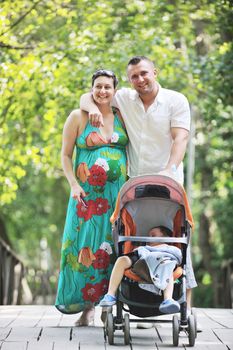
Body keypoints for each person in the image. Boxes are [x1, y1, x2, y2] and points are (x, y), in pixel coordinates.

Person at [80, 55, 198, 326]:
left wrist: (170, 167)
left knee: (178, 240)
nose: (140, 80)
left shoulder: (175, 100)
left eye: (144, 73)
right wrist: (92, 108)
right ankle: (139, 302)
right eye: (134, 76)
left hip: (169, 181)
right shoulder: (124, 98)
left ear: (155, 72)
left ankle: (185, 311)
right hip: (136, 182)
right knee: (137, 241)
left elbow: (181, 136)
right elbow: (90, 96)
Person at [55, 69, 128, 326]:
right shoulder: (78, 116)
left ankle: (112, 303)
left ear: (114, 90)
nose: (103, 91)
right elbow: (65, 155)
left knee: (114, 247)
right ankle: (87, 308)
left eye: (108, 87)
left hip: (117, 196)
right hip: (86, 197)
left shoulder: (122, 115)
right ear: (91, 88)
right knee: (84, 247)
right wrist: (74, 184)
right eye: (98, 86)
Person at [99, 226, 181, 314]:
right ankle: (110, 294)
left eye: (153, 236)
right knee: (121, 260)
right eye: (148, 236)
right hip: (142, 264)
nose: (149, 238)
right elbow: (134, 257)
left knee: (168, 266)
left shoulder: (170, 249)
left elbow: (177, 258)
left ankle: (168, 299)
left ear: (167, 238)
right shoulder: (143, 249)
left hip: (162, 265)